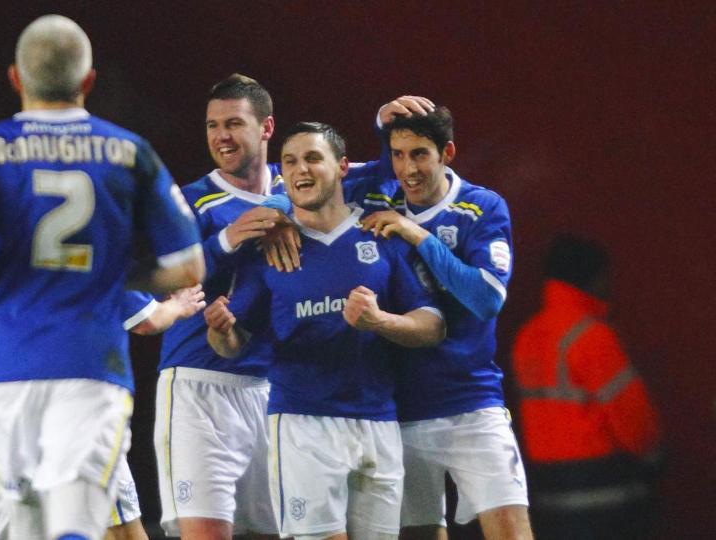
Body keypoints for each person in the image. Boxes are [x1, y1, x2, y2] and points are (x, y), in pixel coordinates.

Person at [0, 14, 203, 540]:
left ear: (15, 78)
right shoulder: (128, 151)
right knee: (77, 524)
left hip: (6, 370)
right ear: (89, 82)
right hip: (90, 366)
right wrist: (112, 273)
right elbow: (189, 266)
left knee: (27, 530)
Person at [205, 122, 445, 540]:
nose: (302, 169)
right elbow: (232, 343)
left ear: (343, 167)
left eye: (314, 158)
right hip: (303, 424)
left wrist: (380, 321)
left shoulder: (380, 234)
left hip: (379, 421)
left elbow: (433, 325)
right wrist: (222, 330)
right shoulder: (268, 249)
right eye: (291, 161)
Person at [359, 105, 533, 540]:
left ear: (447, 152)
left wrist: (416, 234)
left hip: (472, 404)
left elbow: (485, 299)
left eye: (419, 154)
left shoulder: (480, 207)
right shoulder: (378, 202)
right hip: (400, 411)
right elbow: (311, 174)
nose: (407, 168)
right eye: (397, 155)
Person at [153, 74, 287, 540]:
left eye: (233, 123)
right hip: (198, 385)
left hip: (275, 391)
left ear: (267, 127)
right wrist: (227, 238)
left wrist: (382, 124)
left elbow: (352, 173)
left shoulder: (298, 195)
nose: (221, 137)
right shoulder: (189, 200)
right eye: (212, 126)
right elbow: (161, 282)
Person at [0, 287, 206, 540]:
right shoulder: (90, 254)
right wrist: (177, 306)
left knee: (21, 531)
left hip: (1, 412)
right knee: (117, 532)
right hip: (73, 403)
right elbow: (147, 320)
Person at [511, 234, 662, 540]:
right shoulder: (592, 337)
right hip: (608, 497)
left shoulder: (527, 337)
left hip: (549, 498)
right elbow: (633, 419)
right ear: (593, 278)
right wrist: (654, 459)